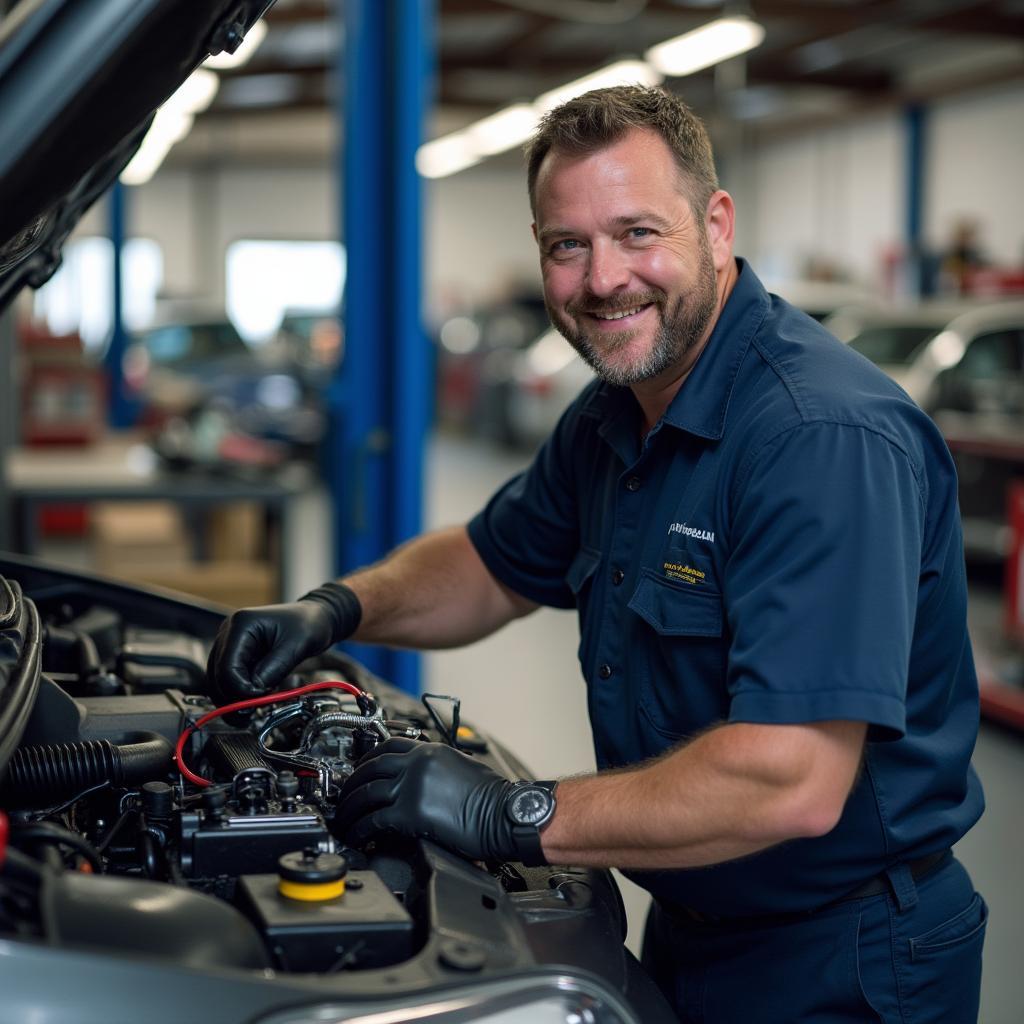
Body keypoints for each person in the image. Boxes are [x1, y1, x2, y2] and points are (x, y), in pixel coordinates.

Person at [208, 86, 987, 1023]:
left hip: (845, 960)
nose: (603, 278)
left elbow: (789, 778)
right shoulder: (616, 414)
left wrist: (514, 814)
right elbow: (492, 563)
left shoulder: (819, 438)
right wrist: (334, 609)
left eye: (636, 233)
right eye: (566, 245)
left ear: (716, 225)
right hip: (694, 916)